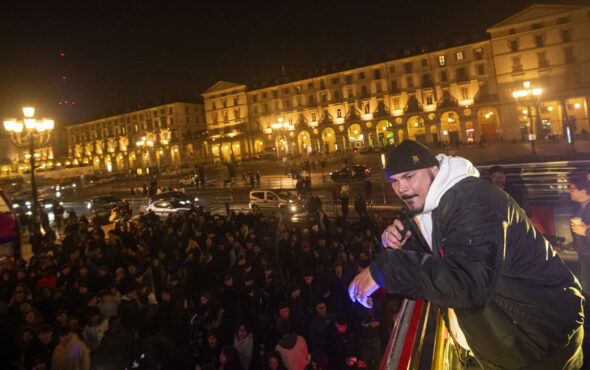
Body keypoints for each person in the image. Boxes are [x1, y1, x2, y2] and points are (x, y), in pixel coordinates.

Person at [348, 140, 584, 369]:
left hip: (537, 341)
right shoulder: (435, 203)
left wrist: (384, 270)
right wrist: (401, 241)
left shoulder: (472, 202)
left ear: (434, 169)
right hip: (514, 338)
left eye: (409, 176)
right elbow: (444, 250)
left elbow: (467, 285)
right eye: (394, 181)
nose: (401, 188)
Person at [569, 174, 590, 293]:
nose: (568, 191)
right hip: (585, 253)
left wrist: (586, 231)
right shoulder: (580, 206)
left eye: (572, 188)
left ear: (583, 191)